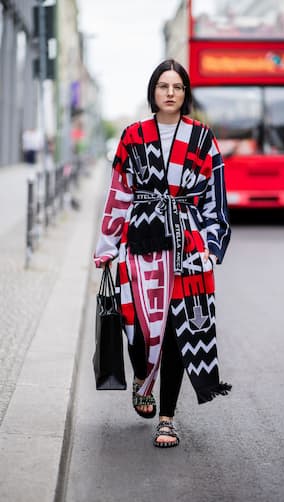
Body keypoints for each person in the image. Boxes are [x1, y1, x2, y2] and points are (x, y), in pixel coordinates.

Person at [94, 59, 231, 448]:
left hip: (187, 249)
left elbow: (214, 196)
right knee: (136, 325)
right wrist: (106, 247)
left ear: (186, 94)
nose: (170, 93)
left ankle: (167, 418)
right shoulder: (133, 136)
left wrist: (211, 247)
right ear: (153, 91)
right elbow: (119, 191)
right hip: (140, 244)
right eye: (163, 85)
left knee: (177, 333)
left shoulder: (202, 138)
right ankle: (142, 376)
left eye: (178, 87)